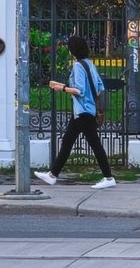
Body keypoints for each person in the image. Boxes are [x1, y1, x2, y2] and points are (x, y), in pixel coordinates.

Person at [35, 34, 116, 189]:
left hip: (83, 112)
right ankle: (52, 175)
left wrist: (62, 88)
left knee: (95, 145)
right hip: (86, 110)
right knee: (67, 142)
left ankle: (108, 177)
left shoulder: (78, 66)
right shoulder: (89, 64)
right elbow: (99, 87)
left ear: (72, 50)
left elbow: (79, 90)